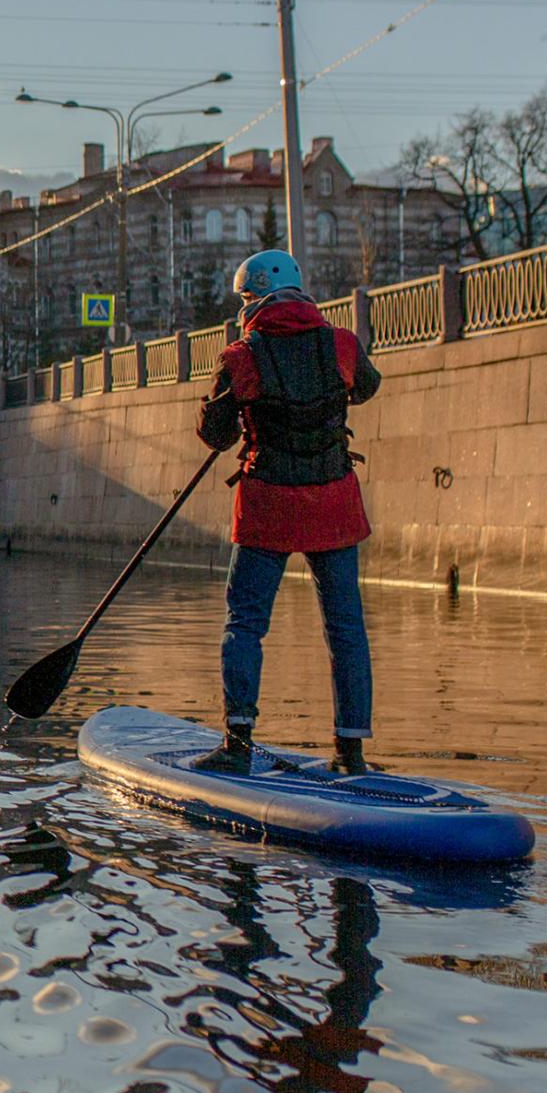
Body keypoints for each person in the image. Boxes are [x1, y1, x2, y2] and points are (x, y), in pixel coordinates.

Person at [194, 250, 382, 775]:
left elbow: (217, 435)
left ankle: (237, 747)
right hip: (333, 502)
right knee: (346, 628)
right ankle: (351, 753)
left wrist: (213, 403)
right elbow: (366, 387)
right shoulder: (342, 343)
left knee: (246, 625)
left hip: (268, 504)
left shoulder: (240, 357)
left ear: (251, 300)